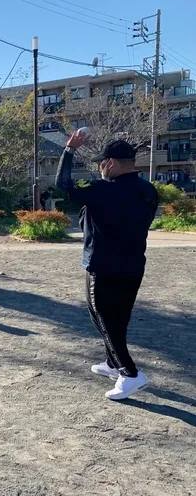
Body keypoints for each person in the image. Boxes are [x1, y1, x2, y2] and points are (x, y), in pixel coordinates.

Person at [56, 132, 158, 400]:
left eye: (102, 163)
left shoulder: (102, 190)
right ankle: (112, 363)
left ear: (110, 163)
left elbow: (63, 184)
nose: (101, 167)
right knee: (119, 319)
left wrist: (69, 150)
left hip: (102, 266)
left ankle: (130, 373)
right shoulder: (148, 190)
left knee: (103, 319)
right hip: (134, 266)